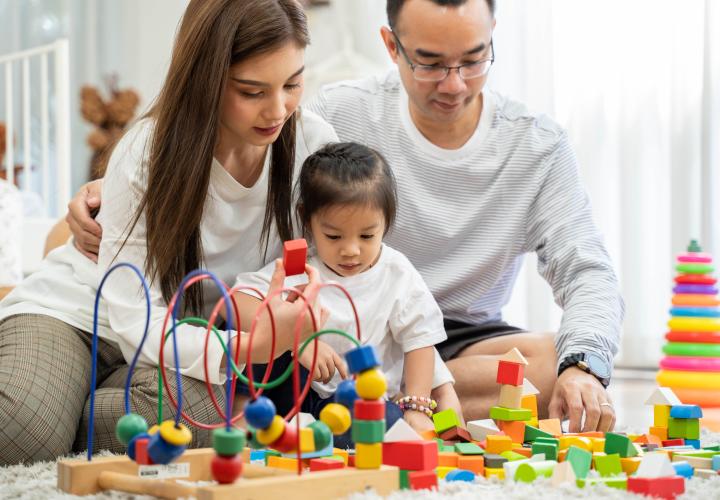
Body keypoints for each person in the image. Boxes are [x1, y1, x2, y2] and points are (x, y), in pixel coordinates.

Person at [67, 0, 624, 433]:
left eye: (474, 59)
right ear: (391, 45)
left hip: (461, 334)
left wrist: (585, 366)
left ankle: (389, 399)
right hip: (347, 317)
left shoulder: (537, 145)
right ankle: (383, 402)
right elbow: (230, 143)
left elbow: (588, 270)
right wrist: (108, 190)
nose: (454, 83)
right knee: (279, 376)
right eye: (430, 62)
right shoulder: (331, 116)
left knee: (553, 360)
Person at [0, 0, 336, 466]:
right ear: (206, 78)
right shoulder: (147, 151)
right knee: (20, 434)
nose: (278, 109)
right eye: (251, 91)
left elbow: (338, 254)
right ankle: (43, 403)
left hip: (173, 343)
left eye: (293, 83)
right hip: (80, 315)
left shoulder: (313, 147)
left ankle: (59, 402)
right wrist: (250, 346)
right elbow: (133, 315)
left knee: (198, 418)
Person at [234, 142, 463, 441]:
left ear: (386, 222)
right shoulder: (299, 268)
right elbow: (238, 301)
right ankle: (243, 418)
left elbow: (420, 339)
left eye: (367, 236)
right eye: (334, 236)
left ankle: (314, 437)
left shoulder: (397, 273)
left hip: (356, 402)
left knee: (388, 421)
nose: (351, 250)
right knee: (257, 328)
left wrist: (417, 407)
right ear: (307, 219)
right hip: (292, 395)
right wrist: (297, 341)